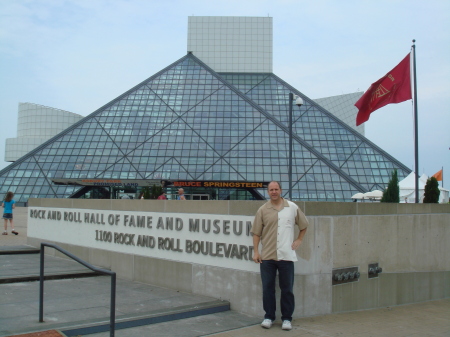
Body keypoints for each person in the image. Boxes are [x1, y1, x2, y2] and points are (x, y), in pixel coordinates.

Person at [251, 181, 308, 331]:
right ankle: (268, 316)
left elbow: (304, 225)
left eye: (276, 189)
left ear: (281, 190)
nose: (274, 192)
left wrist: (299, 240)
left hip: (286, 256)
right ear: (268, 192)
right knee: (267, 289)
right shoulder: (262, 210)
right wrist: (256, 251)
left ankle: (287, 319)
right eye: (271, 190)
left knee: (287, 289)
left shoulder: (292, 207)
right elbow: (256, 232)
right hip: (267, 256)